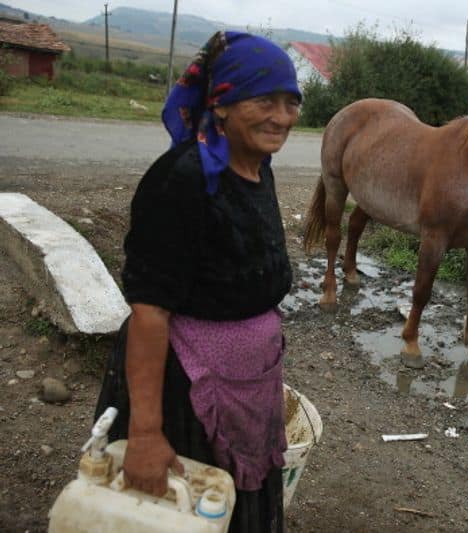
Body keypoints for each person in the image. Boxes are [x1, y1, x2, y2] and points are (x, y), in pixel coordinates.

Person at [94, 31, 302, 532]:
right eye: (264, 100)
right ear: (223, 105)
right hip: (182, 392)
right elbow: (149, 311)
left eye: (291, 101)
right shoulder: (182, 180)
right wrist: (146, 433)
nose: (282, 116)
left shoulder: (258, 166)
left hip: (245, 386)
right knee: (178, 514)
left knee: (228, 511)